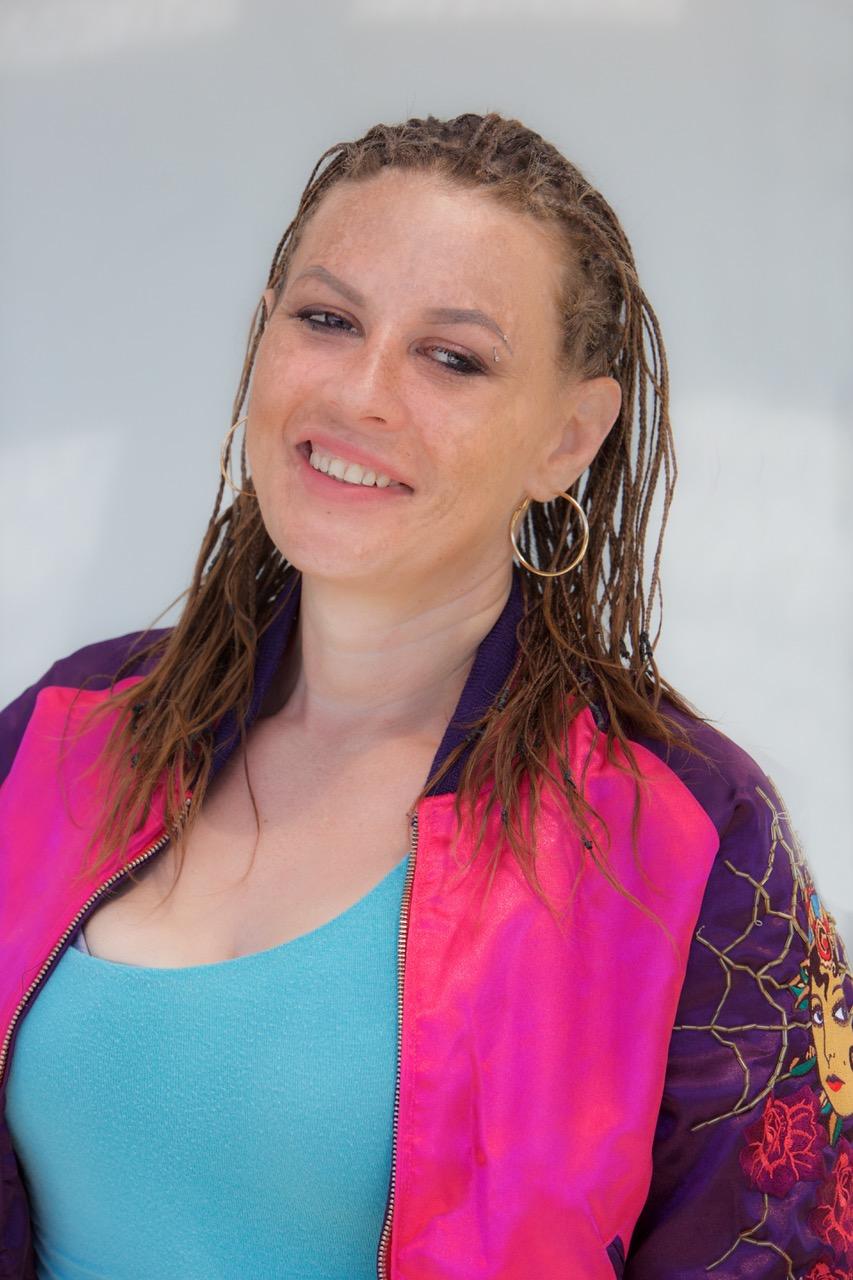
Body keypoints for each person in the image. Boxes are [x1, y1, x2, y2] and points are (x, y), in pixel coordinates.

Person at [0, 111, 849, 1280]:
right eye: (327, 319)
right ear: (263, 339)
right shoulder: (62, 731)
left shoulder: (685, 836)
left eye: (452, 357)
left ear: (569, 435)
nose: (360, 392)